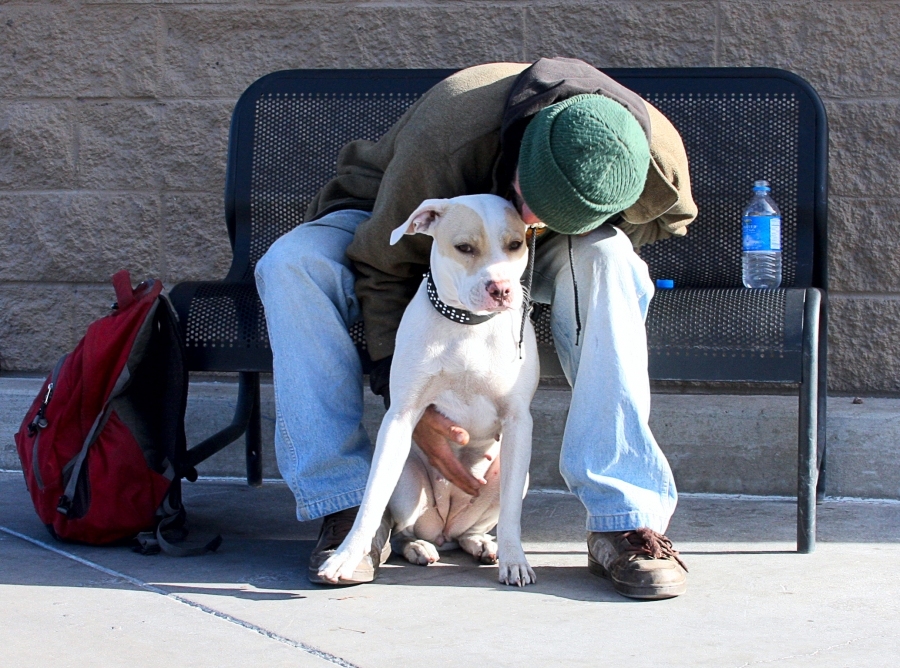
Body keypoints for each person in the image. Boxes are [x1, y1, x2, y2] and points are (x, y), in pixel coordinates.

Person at [254, 57, 697, 600]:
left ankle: (622, 515)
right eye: (526, 198)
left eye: (545, 212)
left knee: (612, 261)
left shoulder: (658, 163)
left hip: (531, 245)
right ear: (519, 151)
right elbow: (382, 264)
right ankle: (347, 509)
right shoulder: (450, 131)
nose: (531, 213)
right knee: (291, 265)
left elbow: (669, 220)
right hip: (386, 215)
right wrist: (409, 395)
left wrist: (553, 230)